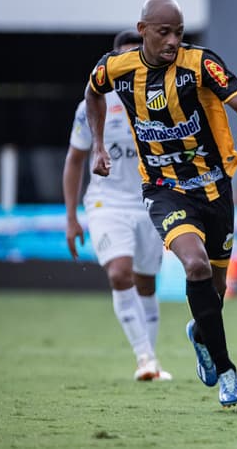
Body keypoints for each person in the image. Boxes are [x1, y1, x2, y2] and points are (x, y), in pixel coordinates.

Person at [84, 0, 237, 408]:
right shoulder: (116, 67)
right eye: (164, 32)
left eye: (179, 33)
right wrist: (98, 146)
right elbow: (92, 92)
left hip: (215, 188)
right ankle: (228, 373)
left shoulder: (200, 63)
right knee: (195, 263)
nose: (172, 41)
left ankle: (200, 333)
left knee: (214, 290)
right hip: (164, 189)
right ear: (143, 29)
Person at [64, 29, 170, 382]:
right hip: (106, 202)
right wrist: (71, 218)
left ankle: (151, 360)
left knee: (146, 283)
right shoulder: (92, 105)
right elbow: (74, 160)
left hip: (150, 201)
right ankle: (144, 358)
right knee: (119, 273)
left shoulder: (160, 101)